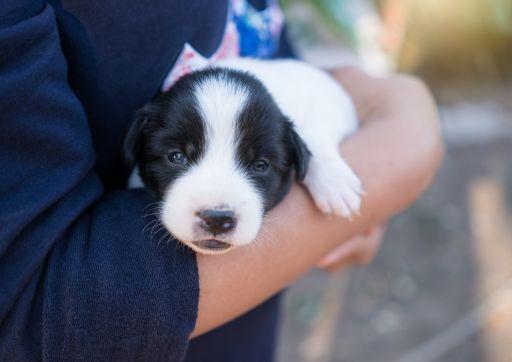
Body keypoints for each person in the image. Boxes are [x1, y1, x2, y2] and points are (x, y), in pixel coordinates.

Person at [0, 0, 443, 361]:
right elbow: (32, 305)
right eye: (178, 157)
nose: (217, 206)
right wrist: (400, 157)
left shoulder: (286, 124)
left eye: (257, 166)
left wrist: (353, 116)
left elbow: (272, 47)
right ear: (138, 143)